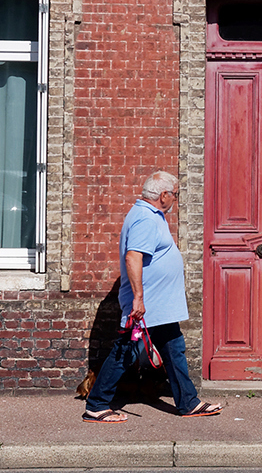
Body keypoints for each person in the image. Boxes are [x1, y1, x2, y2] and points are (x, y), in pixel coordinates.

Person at [83, 170, 223, 423]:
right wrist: (138, 298)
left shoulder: (150, 216)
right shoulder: (145, 219)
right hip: (147, 304)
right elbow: (133, 256)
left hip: (159, 305)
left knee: (173, 348)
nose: (175, 200)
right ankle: (96, 405)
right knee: (126, 351)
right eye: (176, 195)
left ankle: (188, 402)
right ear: (163, 195)